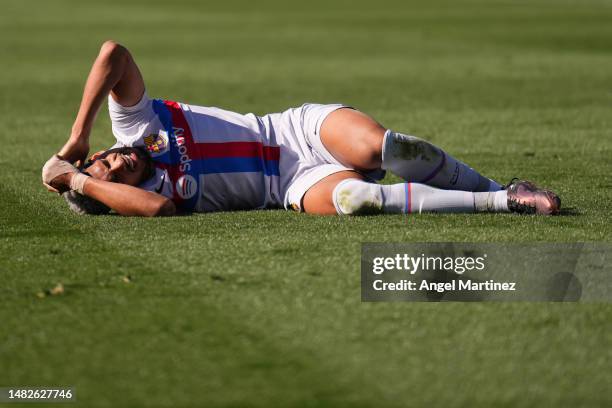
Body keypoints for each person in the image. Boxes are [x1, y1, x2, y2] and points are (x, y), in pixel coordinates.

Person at [42, 41, 561, 217]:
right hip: (289, 185)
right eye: (113, 174)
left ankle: (498, 183)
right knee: (359, 200)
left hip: (294, 132)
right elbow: (155, 209)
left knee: (383, 148)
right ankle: (502, 202)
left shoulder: (135, 125)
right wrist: (78, 181)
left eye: (106, 158)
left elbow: (113, 54)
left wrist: (77, 141)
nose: (118, 161)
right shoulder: (151, 195)